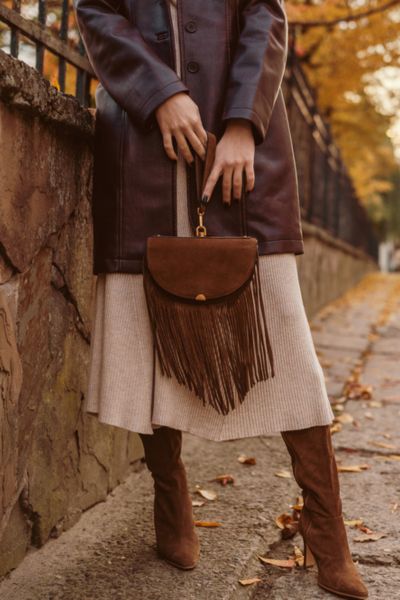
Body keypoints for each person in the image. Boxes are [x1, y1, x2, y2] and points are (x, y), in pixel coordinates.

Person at [73, 0, 368, 597]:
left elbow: (265, 15)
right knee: (145, 334)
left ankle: (325, 526)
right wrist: (160, 93)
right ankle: (170, 494)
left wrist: (242, 124)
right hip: (140, 148)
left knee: (283, 333)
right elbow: (97, 12)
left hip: (242, 154)